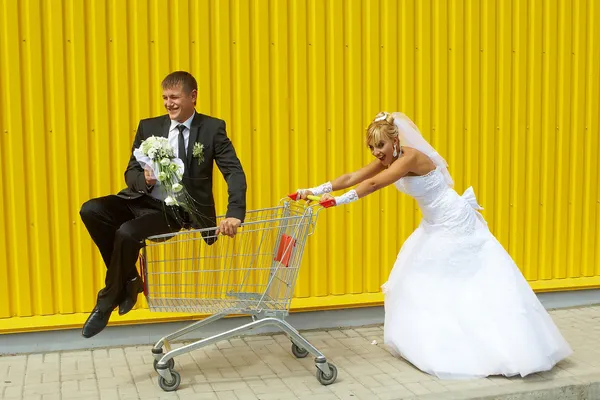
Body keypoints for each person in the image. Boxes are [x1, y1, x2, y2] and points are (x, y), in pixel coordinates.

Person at [295, 111, 572, 379]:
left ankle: (486, 345)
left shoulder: (409, 158)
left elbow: (376, 184)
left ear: (395, 140)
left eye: (380, 145)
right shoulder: (392, 158)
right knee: (423, 278)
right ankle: (436, 341)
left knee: (453, 279)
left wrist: (339, 201)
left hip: (453, 221)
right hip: (434, 224)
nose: (376, 152)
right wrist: (315, 191)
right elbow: (353, 178)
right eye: (371, 147)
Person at [79, 71, 247, 338]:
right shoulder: (149, 126)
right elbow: (130, 171)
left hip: (177, 211)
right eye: (165, 98)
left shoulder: (212, 128)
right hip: (142, 198)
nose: (168, 103)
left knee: (127, 233)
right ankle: (131, 279)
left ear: (192, 97)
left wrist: (235, 213)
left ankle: (106, 299)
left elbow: (234, 172)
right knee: (91, 210)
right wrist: (143, 178)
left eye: (174, 97)